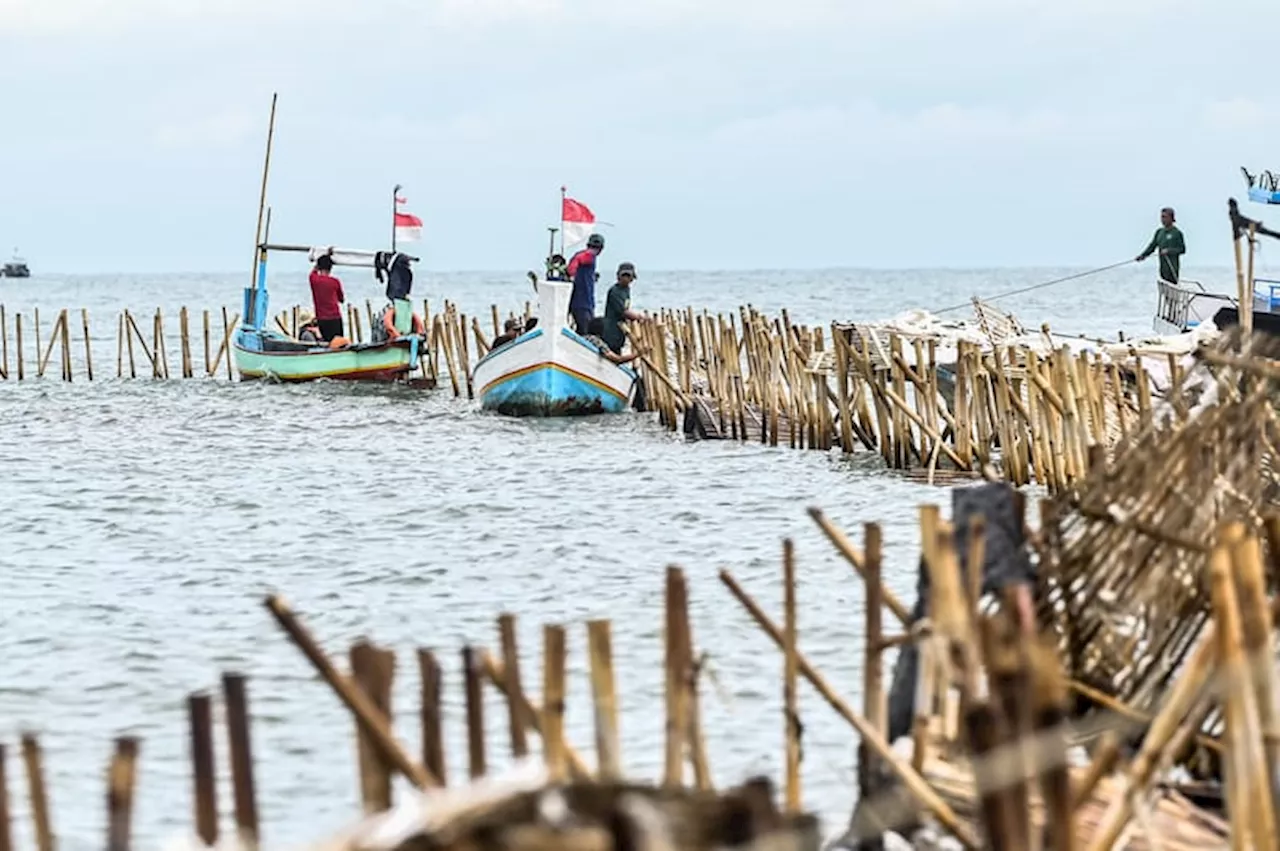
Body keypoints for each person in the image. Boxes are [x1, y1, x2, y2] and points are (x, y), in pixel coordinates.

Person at [602, 261, 650, 355]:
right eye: (624, 275)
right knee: (613, 351)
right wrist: (639, 317)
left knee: (618, 349)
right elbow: (623, 311)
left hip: (620, 331)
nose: (626, 278)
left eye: (628, 276)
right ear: (618, 276)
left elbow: (625, 308)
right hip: (611, 330)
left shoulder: (626, 289)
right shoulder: (615, 291)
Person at [1135, 207, 1186, 284]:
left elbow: (1182, 249)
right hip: (1162, 268)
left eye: (1165, 217)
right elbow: (1152, 246)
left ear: (1171, 218)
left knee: (1172, 289)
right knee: (1164, 289)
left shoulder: (1177, 233)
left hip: (1172, 268)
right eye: (1161, 217)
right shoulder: (1159, 232)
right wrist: (1142, 255)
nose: (1162, 219)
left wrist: (1169, 251)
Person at [566, 233, 604, 334]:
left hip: (583, 302)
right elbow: (578, 259)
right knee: (586, 332)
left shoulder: (587, 259)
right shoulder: (589, 255)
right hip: (582, 303)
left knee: (583, 330)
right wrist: (572, 272)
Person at [309, 251, 346, 341]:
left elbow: (313, 271)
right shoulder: (335, 282)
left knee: (326, 344)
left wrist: (321, 259)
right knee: (339, 344)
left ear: (319, 267)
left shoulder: (313, 280)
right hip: (335, 318)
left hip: (322, 319)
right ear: (331, 268)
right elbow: (341, 299)